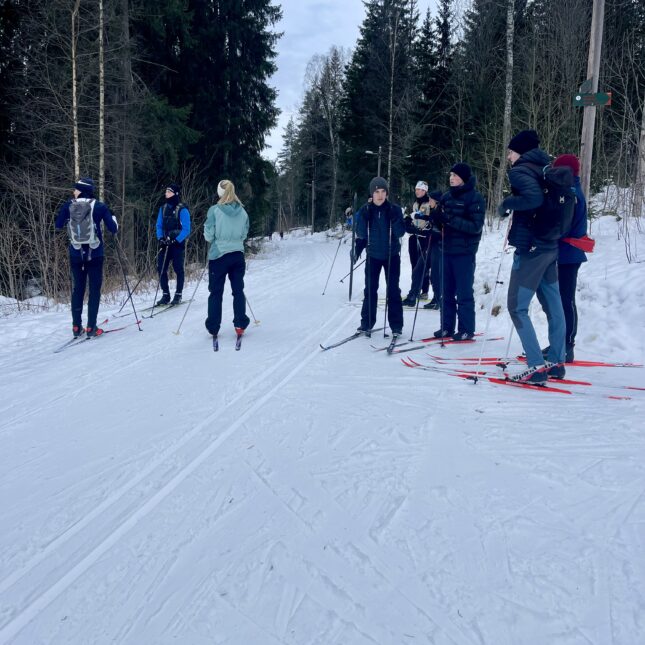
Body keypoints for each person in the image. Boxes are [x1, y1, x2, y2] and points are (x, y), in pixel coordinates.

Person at [498, 129, 567, 383]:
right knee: (553, 305)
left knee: (516, 307)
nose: (509, 157)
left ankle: (536, 366)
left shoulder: (520, 171)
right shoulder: (545, 167)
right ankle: (557, 361)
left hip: (531, 250)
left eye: (511, 152)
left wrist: (506, 204)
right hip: (550, 246)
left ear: (521, 151)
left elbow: (534, 199)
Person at [55, 177, 118, 337]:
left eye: (76, 189)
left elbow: (58, 225)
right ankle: (91, 328)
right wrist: (113, 218)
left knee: (78, 290)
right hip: (95, 254)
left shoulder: (68, 205)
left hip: (76, 254)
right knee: (94, 290)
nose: (74, 192)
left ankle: (76, 327)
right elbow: (113, 229)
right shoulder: (99, 206)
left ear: (82, 190)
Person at [432, 163, 485, 341]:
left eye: (455, 175)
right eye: (450, 175)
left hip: (464, 252)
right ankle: (446, 327)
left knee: (463, 293)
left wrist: (449, 219)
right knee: (446, 292)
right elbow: (441, 223)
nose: (451, 178)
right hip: (446, 250)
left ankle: (466, 329)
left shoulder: (475, 198)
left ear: (463, 178)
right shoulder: (446, 197)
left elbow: (475, 227)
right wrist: (436, 219)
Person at [543, 153, 588, 363]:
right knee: (559, 300)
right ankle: (559, 343)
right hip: (562, 252)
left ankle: (567, 345)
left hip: (569, 254)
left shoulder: (572, 193)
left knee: (565, 300)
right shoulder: (568, 190)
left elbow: (564, 226)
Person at [351, 177, 406, 337]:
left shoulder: (395, 209)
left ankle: (396, 326)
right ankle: (366, 323)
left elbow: (400, 233)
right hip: (373, 256)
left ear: (387, 193)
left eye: (383, 191)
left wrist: (394, 218)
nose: (380, 195)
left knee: (393, 290)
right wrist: (363, 216)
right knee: (370, 290)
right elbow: (361, 233)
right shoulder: (366, 209)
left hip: (391, 256)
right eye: (376, 192)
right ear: (372, 194)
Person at [203, 179, 251, 340]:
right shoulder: (243, 212)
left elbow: (208, 235)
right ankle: (240, 324)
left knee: (216, 292)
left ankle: (213, 327)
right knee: (238, 290)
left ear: (220, 192)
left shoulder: (214, 210)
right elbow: (244, 234)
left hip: (219, 256)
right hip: (237, 255)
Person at [156, 183, 191, 306]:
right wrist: (160, 238)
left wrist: (177, 240)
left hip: (177, 243)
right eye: (166, 192)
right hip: (165, 243)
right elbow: (159, 226)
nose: (166, 194)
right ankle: (165, 294)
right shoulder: (163, 208)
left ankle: (178, 294)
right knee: (161, 268)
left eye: (169, 192)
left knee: (178, 268)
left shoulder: (182, 209)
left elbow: (187, 229)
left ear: (175, 194)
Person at [404, 181, 431, 301]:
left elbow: (431, 218)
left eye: (419, 189)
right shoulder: (414, 203)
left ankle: (424, 291)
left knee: (423, 264)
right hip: (414, 236)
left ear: (425, 191)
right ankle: (415, 289)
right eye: (416, 189)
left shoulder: (429, 203)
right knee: (414, 264)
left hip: (424, 237)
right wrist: (407, 222)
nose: (417, 191)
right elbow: (408, 216)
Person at [423, 190, 444, 310]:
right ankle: (436, 298)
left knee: (436, 274)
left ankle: (438, 299)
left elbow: (442, 229)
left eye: (431, 199)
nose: (429, 201)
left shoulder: (441, 211)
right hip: (433, 245)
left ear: (436, 201)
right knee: (432, 273)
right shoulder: (433, 211)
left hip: (439, 246)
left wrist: (433, 231)